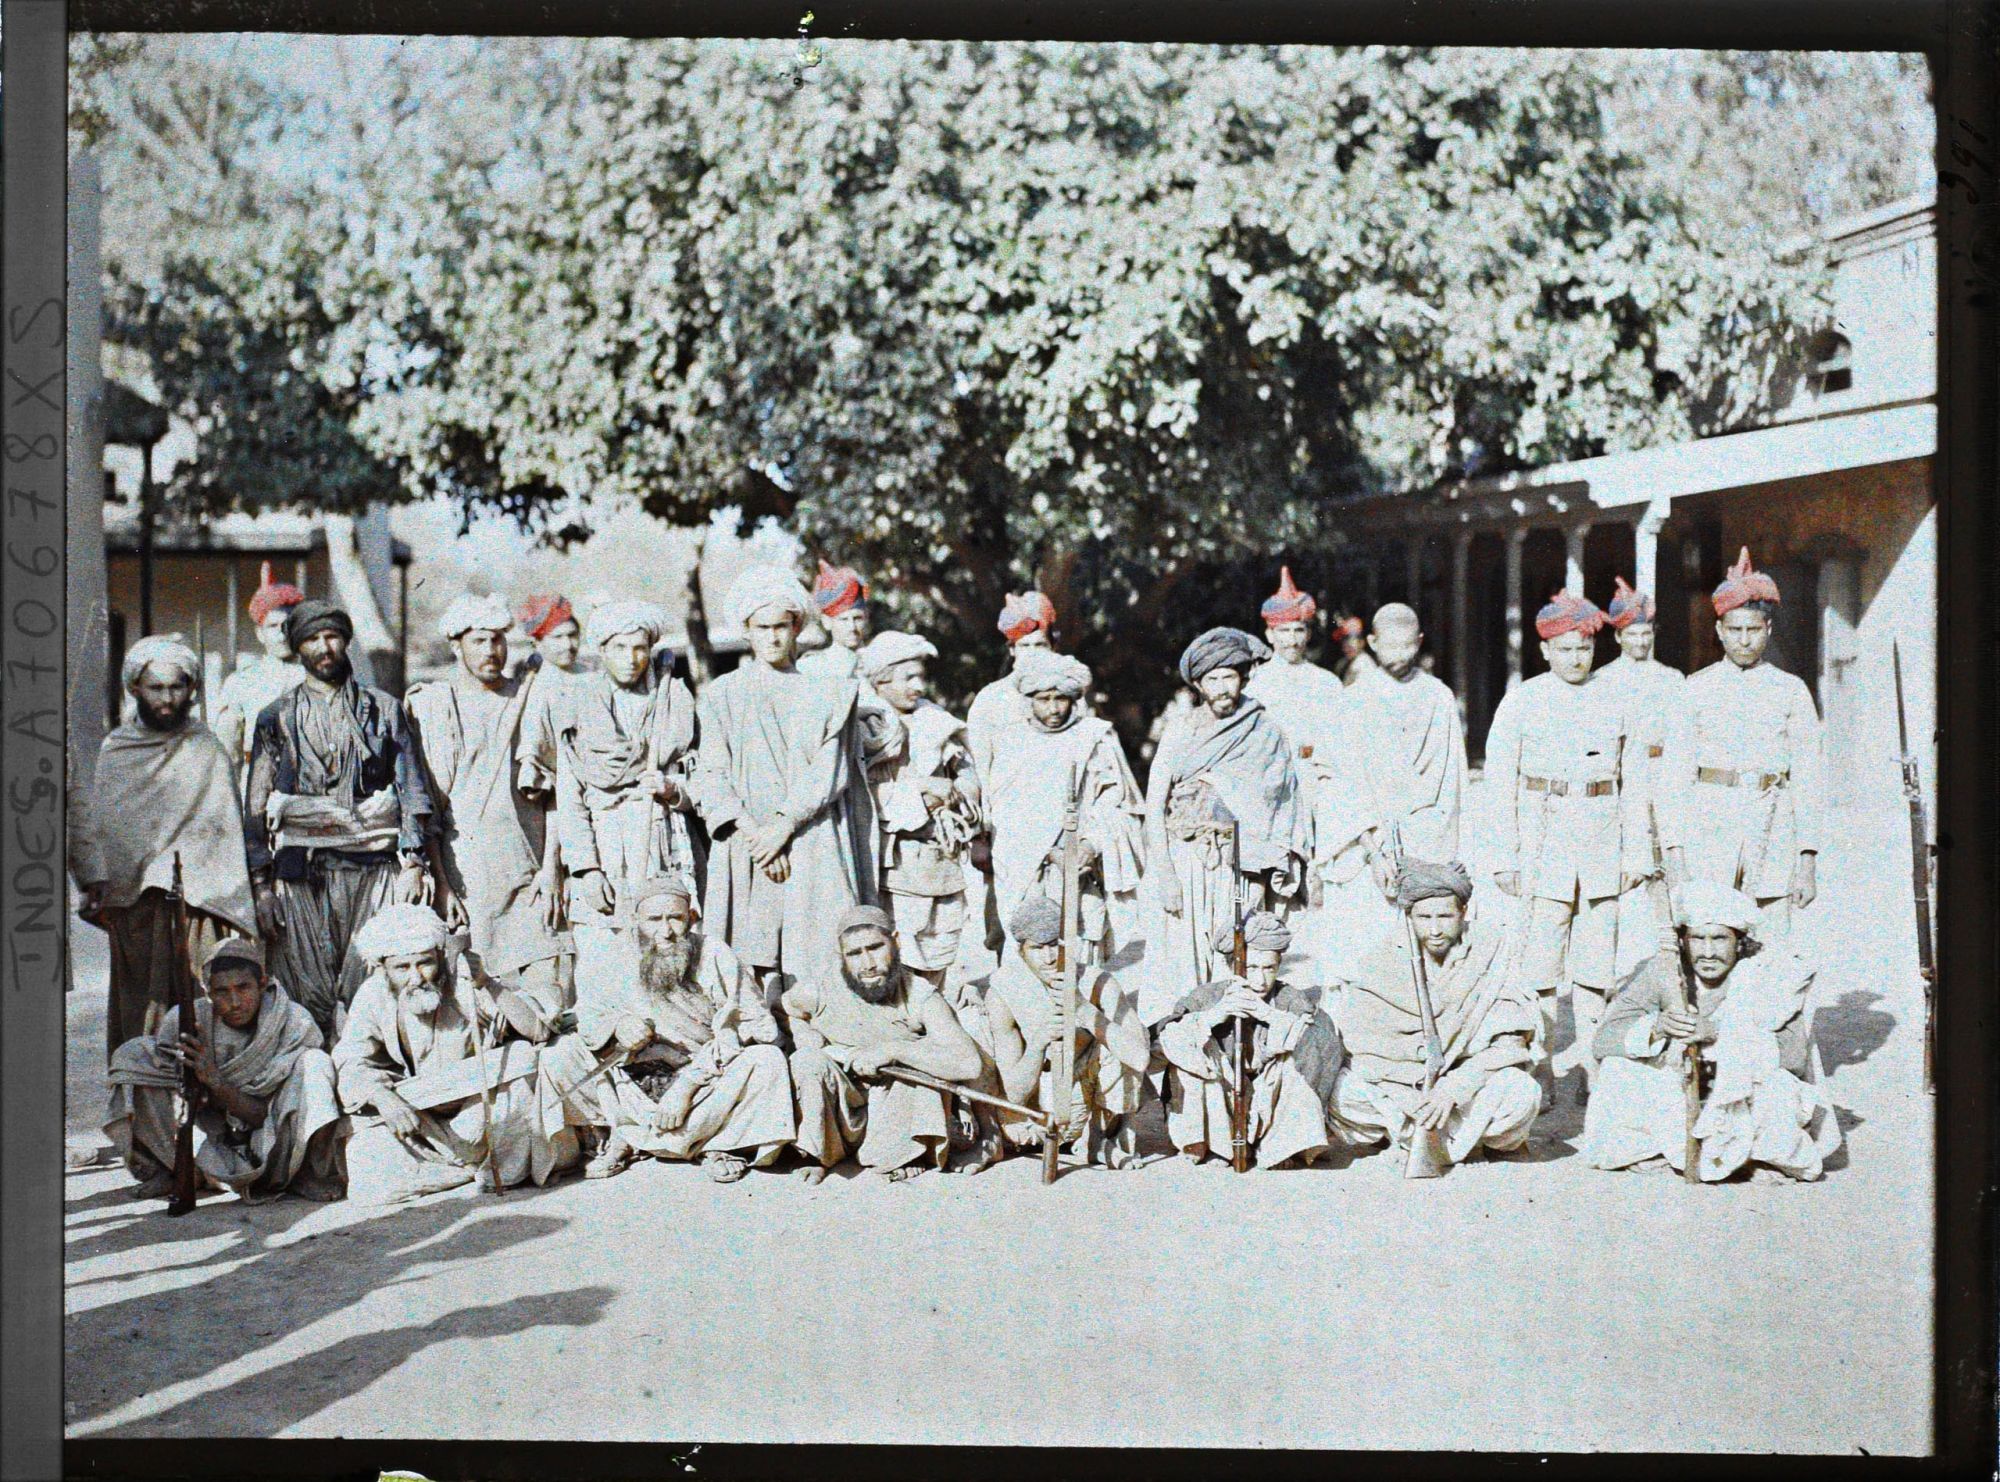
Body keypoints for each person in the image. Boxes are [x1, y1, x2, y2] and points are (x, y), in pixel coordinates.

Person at [1484, 591, 1652, 1104]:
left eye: (1584, 648)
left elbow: (1637, 780)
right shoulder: (1523, 699)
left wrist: (1636, 854)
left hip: (1602, 831)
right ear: (1545, 651)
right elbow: (1498, 781)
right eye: (1565, 649)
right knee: (1539, 960)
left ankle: (1593, 1062)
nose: (1576, 658)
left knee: (1598, 959)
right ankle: (1539, 1063)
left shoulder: (1618, 697)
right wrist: (1503, 855)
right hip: (1543, 833)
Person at [244, 600, 437, 1041]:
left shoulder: (383, 710)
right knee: (304, 995)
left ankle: (370, 1084)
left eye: (331, 637)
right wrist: (261, 887)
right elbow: (256, 807)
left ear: (346, 642)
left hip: (375, 872)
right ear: (298, 648)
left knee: (373, 987)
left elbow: (411, 789)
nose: (324, 647)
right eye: (312, 639)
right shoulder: (276, 717)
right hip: (301, 875)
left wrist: (414, 861)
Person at [686, 566, 877, 999]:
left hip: (810, 835)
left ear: (797, 629)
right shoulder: (721, 695)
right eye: (762, 628)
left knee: (818, 954)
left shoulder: (827, 693)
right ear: (747, 631)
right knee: (751, 964)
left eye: (781, 627)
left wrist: (783, 826)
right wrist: (758, 836)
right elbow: (711, 773)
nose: (772, 638)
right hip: (747, 841)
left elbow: (830, 772)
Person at [73, 636, 259, 1056]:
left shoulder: (206, 749)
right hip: (137, 910)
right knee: (143, 1017)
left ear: (191, 690)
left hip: (201, 907)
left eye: (177, 687)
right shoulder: (118, 750)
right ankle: (142, 1100)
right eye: (156, 688)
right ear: (135, 688)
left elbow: (224, 833)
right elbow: (109, 832)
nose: (167, 698)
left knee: (205, 1008)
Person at [1582, 881, 1841, 1181]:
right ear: (1683, 941)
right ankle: (1676, 1153)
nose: (1707, 952)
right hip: (1681, 1086)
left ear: (1740, 942)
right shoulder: (1665, 970)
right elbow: (1604, 1040)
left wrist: (1718, 1035)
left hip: (1744, 1090)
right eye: (1697, 939)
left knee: (1778, 1091)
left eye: (1719, 939)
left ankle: (1749, 1159)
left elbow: (1793, 1056)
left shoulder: (1767, 975)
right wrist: (1657, 1029)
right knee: (1617, 1071)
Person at [332, 903, 590, 1202]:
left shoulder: (464, 981)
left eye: (425, 963)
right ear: (383, 969)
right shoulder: (374, 994)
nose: (416, 977)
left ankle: (461, 1170)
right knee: (366, 1162)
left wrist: (487, 984)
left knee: (521, 1067)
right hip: (421, 1118)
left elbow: (538, 1031)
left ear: (440, 957)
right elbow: (350, 1060)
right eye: (402, 968)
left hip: (478, 1112)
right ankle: (467, 1171)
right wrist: (383, 1097)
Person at [559, 878, 797, 1183]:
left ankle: (718, 1144)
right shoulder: (613, 956)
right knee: (564, 1053)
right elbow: (587, 1016)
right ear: (635, 920)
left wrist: (688, 1086)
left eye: (676, 918)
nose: (666, 931)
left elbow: (755, 1025)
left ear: (692, 918)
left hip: (706, 1080)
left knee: (767, 1060)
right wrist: (617, 1025)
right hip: (636, 1085)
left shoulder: (714, 953)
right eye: (654, 920)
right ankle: (625, 1136)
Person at [406, 594, 571, 1028]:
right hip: (465, 875)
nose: (491, 651)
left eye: (498, 640)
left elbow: (555, 793)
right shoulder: (435, 707)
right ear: (458, 645)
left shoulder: (530, 700)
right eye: (479, 641)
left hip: (528, 870)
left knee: (545, 995)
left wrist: (552, 869)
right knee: (474, 996)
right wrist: (442, 883)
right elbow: (427, 809)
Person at [1328, 861, 1540, 1174]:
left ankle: (1444, 1139)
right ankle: (1424, 1137)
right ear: (1408, 917)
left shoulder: (1491, 952)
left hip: (1465, 1094)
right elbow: (1362, 1049)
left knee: (1521, 1091)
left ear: (1464, 911)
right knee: (1342, 1092)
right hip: (1402, 1094)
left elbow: (1509, 1043)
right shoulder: (1382, 959)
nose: (1435, 929)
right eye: (1424, 918)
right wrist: (1405, 1095)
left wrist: (1453, 1088)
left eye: (1445, 916)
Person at [1659, 549, 1824, 947]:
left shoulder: (1790, 690)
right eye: (1735, 630)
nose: (1744, 640)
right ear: (1719, 631)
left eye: (1754, 629)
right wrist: (1675, 854)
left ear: (1768, 629)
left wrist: (1807, 861)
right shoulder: (1695, 689)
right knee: (1709, 937)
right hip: (1709, 823)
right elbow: (1674, 776)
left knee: (1772, 941)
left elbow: (1808, 777)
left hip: (1772, 823)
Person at [105, 937, 347, 1204]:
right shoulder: (187, 1021)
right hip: (214, 1137)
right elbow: (170, 1084)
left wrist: (216, 1081)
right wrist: (189, 1089)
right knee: (132, 1057)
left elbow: (261, 1116)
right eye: (221, 991)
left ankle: (304, 1173)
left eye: (243, 988)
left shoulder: (293, 1023)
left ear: (263, 983)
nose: (234, 1002)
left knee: (316, 1064)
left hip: (273, 1141)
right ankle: (169, 1168)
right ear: (207, 992)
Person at [1145, 627, 1311, 1005]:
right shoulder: (1182, 729)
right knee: (1184, 962)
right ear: (1199, 684)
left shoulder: (1264, 729)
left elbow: (1285, 798)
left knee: (1240, 957)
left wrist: (1278, 858)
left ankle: (1237, 1046)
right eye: (1212, 679)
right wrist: (1166, 876)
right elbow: (1155, 804)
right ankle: (1185, 1045)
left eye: (1230, 676)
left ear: (1243, 677)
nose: (1222, 687)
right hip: (1188, 863)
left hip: (1245, 864)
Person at [556, 601, 702, 1015]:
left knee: (668, 941)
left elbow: (705, 774)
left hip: (663, 833)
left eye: (639, 648)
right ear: (602, 650)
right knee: (607, 946)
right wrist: (585, 867)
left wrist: (674, 788)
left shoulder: (673, 698)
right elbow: (570, 796)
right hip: (607, 840)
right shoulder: (581, 703)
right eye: (619, 648)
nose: (631, 659)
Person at [1243, 568, 1382, 980]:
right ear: (1269, 634)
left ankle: (1322, 977)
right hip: (1269, 789)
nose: (1292, 640)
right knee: (1269, 882)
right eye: (1283, 631)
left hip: (1315, 782)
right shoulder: (1255, 685)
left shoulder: (1326, 684)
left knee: (1322, 879)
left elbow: (1342, 749)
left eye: (1299, 630)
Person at [782, 906, 989, 1181]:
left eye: (875, 948)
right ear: (840, 956)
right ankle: (819, 1154)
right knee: (807, 1060)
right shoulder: (818, 990)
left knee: (922, 1064)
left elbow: (969, 1064)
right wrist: (810, 1039)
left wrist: (894, 1050)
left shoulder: (920, 996)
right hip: (844, 1104)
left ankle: (903, 1153)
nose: (867, 964)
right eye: (854, 954)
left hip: (895, 1103)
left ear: (896, 941)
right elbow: (782, 1010)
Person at [985, 651, 1147, 969]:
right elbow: (1004, 812)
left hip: (1081, 869)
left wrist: (1090, 844)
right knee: (1031, 948)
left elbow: (1119, 804)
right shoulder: (1011, 741)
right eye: (1044, 699)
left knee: (1079, 952)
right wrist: (1048, 851)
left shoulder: (1095, 738)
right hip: (1028, 871)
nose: (1054, 708)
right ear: (1029, 699)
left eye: (1061, 698)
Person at [1155, 912, 1340, 1170]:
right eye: (1252, 968)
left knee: (1293, 1057)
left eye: (1269, 969)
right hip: (1224, 1096)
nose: (1260, 979)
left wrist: (1270, 1016)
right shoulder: (1207, 996)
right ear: (1235, 967)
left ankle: (1282, 1146)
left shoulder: (1290, 998)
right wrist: (1212, 1017)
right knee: (1191, 1045)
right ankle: (1207, 1143)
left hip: (1270, 1099)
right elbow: (1162, 1042)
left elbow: (1325, 1045)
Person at [856, 630, 982, 989]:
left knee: (941, 939)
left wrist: (961, 789)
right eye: (907, 677)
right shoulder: (868, 725)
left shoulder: (935, 720)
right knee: (900, 942)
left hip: (940, 856)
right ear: (881, 680)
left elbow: (965, 769)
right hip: (896, 861)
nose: (917, 685)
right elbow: (866, 792)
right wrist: (923, 794)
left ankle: (937, 1002)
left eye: (920, 676)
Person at [985, 895, 1150, 1169]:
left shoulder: (1097, 981)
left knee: (1125, 1034)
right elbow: (1014, 1092)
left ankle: (1099, 1138)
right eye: (1038, 948)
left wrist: (1085, 1010)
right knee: (974, 1024)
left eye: (1055, 945)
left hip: (1082, 1098)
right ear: (1021, 950)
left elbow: (1139, 1058)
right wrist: (1037, 1044)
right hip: (1033, 1112)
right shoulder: (1004, 991)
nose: (1049, 957)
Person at [1594, 577, 1686, 978]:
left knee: (1671, 869)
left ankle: (1672, 959)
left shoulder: (1672, 679)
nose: (1641, 642)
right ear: (1619, 638)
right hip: (1622, 782)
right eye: (1632, 635)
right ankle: (1609, 969)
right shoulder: (1603, 681)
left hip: (1664, 775)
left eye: (1646, 633)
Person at [1343, 602, 1467, 871]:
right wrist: (1372, 849)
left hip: (1430, 836)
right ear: (1372, 642)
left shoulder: (1438, 696)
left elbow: (1452, 778)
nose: (1399, 655)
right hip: (1370, 840)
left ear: (1420, 641)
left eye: (1407, 646)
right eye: (1390, 647)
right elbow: (1343, 782)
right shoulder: (1354, 699)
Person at [211, 562, 306, 770]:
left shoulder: (315, 678)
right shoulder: (241, 683)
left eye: (288, 626)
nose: (281, 635)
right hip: (257, 780)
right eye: (272, 626)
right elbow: (228, 752)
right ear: (259, 633)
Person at [512, 592, 588, 799]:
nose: (568, 645)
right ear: (538, 643)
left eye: (572, 635)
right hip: (561, 792)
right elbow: (533, 745)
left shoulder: (593, 676)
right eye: (558, 637)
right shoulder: (535, 686)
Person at [798, 560, 871, 679]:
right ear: (827, 622)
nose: (852, 627)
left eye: (857, 618)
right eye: (843, 620)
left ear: (866, 618)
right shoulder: (811, 667)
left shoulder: (876, 662)